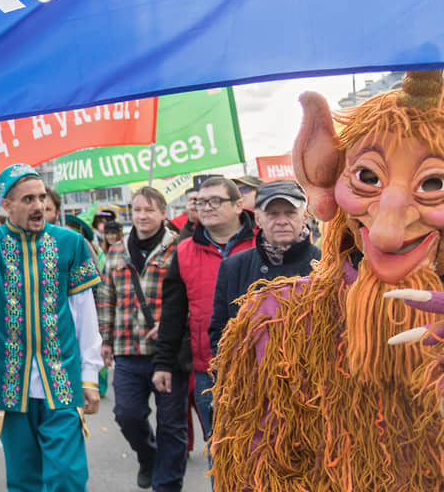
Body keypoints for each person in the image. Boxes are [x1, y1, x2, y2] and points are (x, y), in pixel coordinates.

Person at [211, 70, 444, 490]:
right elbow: (255, 469)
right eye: (368, 178)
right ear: (328, 184)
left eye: (433, 185)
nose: (389, 230)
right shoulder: (277, 320)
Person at [0, 159, 102, 492]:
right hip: (8, 384)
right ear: (6, 205)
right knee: (24, 480)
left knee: (68, 476)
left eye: (40, 198)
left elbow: (84, 313)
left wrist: (90, 376)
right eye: (28, 200)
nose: (39, 206)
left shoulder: (70, 243)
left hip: (60, 380)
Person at [152, 176, 256, 442]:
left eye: (215, 201)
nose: (206, 207)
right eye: (201, 202)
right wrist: (163, 363)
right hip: (209, 369)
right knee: (219, 451)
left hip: (261, 365)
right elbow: (173, 312)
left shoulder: (262, 243)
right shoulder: (185, 250)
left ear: (238, 205)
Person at [97, 187, 187, 491]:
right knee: (127, 415)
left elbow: (191, 297)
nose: (142, 216)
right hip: (127, 349)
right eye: (137, 210)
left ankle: (167, 485)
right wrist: (105, 340)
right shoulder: (116, 251)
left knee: (173, 426)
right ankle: (148, 456)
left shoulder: (179, 249)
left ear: (164, 213)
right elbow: (106, 298)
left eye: (149, 210)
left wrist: (170, 323)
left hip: (168, 352)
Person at [208, 181, 320, 356]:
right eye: (273, 214)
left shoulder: (326, 264)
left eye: (290, 213)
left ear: (305, 217)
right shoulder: (234, 266)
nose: (282, 221)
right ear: (258, 219)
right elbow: (219, 331)